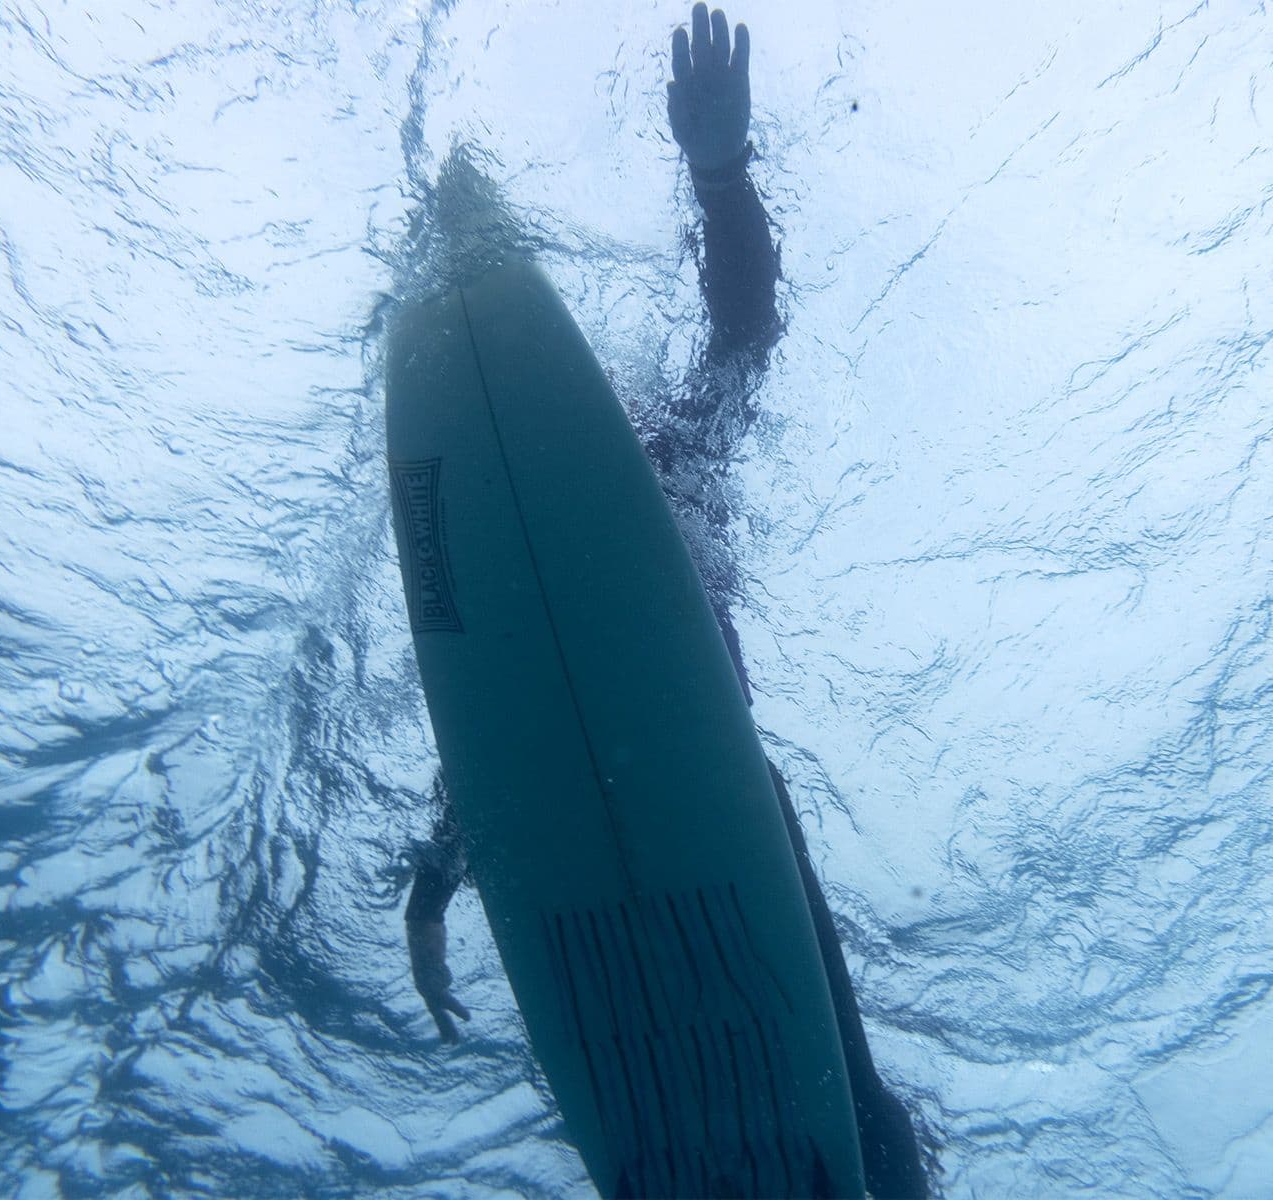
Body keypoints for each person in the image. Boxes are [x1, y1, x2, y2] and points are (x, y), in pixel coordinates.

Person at [402, 7, 928, 1196]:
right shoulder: (558, 487)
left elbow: (742, 336)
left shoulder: (673, 452)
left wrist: (720, 170)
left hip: (717, 777)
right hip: (661, 793)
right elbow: (504, 689)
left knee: (874, 1136)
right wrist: (434, 883)